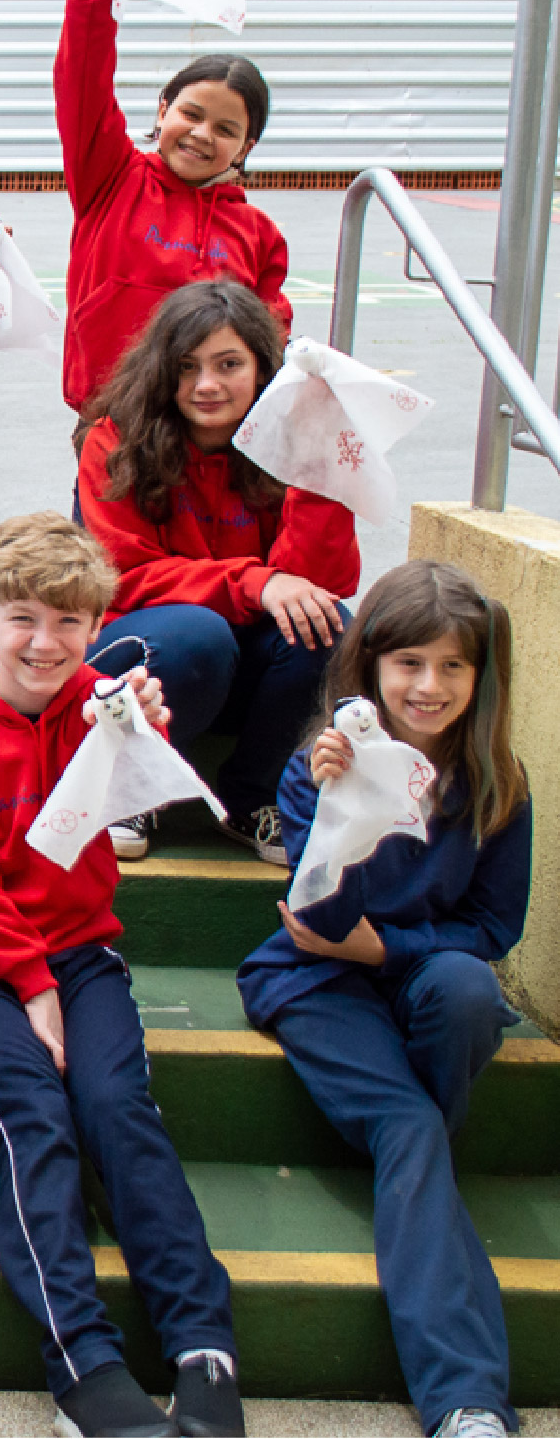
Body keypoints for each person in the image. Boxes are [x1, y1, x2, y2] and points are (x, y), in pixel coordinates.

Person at [0, 511, 243, 1439]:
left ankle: (204, 1349)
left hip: (81, 953)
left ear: (96, 625)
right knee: (36, 1125)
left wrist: (147, 736)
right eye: (22, 618)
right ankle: (86, 1367)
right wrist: (30, 981)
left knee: (118, 1110)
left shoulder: (104, 704)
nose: (44, 642)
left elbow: (138, 797)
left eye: (68, 621)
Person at [238, 561, 531, 1439]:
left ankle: (413, 1154)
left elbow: (492, 929)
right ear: (370, 667)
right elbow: (320, 923)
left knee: (466, 988)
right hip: (318, 982)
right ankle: (467, 1399)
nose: (428, 685)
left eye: (452, 665)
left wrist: (387, 948)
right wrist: (342, 808)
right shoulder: (320, 768)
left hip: (418, 978)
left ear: (480, 676)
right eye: (409, 663)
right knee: (411, 1124)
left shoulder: (497, 781)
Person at [77, 280, 358, 862]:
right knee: (199, 632)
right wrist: (255, 582)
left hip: (241, 668)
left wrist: (315, 462)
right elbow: (122, 577)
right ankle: (129, 783)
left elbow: (317, 580)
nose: (206, 384)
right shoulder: (116, 439)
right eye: (187, 367)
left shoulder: (291, 436)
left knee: (325, 622)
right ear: (163, 371)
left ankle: (255, 796)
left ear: (263, 369)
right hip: (151, 655)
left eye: (228, 364)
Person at [58, 0, 290, 414]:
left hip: (211, 427)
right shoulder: (110, 178)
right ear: (163, 110)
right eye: (191, 114)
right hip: (112, 418)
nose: (203, 134)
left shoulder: (260, 236)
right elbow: (82, 74)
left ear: (246, 147)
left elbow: (268, 341)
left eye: (226, 130)